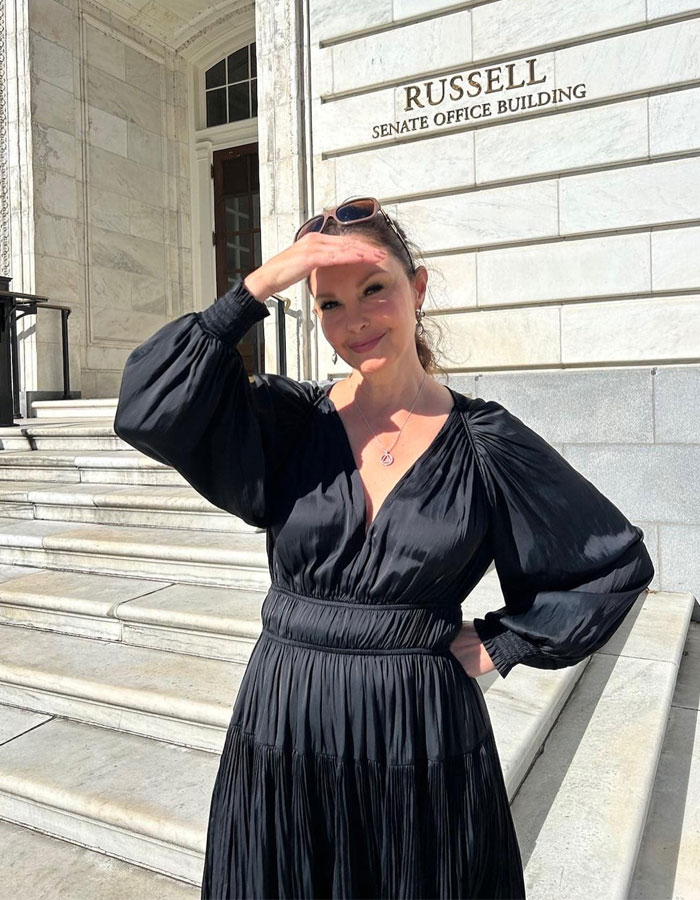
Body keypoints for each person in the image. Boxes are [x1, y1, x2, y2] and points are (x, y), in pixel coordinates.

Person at [113, 197, 655, 899]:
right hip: (287, 714)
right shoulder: (290, 422)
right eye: (330, 303)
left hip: (417, 728)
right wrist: (256, 287)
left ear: (417, 289)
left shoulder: (485, 442)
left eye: (375, 289)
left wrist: (506, 642)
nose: (356, 320)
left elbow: (610, 563)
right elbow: (148, 406)